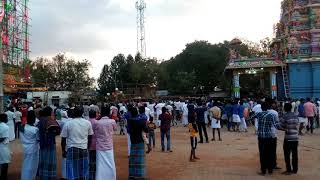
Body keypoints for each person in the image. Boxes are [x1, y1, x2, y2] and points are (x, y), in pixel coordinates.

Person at [61, 106, 93, 180]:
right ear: (82, 113)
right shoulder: (87, 123)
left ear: (73, 112)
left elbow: (63, 139)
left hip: (72, 149)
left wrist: (63, 151)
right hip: (84, 149)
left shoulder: (68, 124)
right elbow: (90, 137)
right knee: (84, 170)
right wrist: (88, 148)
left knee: (71, 170)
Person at [255, 102, 283, 175]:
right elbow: (277, 126)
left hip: (261, 137)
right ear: (268, 107)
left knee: (262, 154)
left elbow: (250, 118)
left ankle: (263, 170)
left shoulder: (259, 114)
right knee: (269, 153)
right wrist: (285, 129)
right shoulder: (272, 115)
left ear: (261, 107)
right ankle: (270, 170)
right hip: (269, 137)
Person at [38, 106, 61, 180]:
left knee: (43, 160)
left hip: (42, 143)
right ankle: (50, 176)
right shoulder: (50, 120)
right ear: (50, 112)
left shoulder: (40, 120)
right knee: (50, 161)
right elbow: (58, 130)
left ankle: (43, 176)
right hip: (50, 143)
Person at [94, 106, 117, 180]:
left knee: (100, 165)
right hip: (109, 146)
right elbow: (115, 129)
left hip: (100, 146)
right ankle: (111, 177)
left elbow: (94, 131)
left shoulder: (97, 122)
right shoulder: (112, 121)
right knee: (111, 163)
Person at [127, 107, 148, 179]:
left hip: (133, 142)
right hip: (140, 142)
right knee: (140, 160)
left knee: (133, 160)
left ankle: (132, 176)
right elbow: (146, 130)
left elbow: (129, 131)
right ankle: (140, 176)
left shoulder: (130, 121)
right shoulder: (141, 121)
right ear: (137, 113)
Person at [280, 103, 299, 175]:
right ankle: (295, 170)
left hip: (288, 138)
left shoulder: (285, 116)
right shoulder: (295, 115)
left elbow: (279, 126)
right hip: (295, 138)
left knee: (287, 154)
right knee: (295, 154)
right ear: (291, 108)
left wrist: (285, 129)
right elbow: (297, 123)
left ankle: (288, 170)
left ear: (285, 108)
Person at [20, 111, 39, 180]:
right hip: (33, 149)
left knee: (25, 164)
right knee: (32, 166)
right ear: (33, 119)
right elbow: (38, 139)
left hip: (25, 148)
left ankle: (24, 177)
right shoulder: (35, 129)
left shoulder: (22, 127)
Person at [0, 114, 11, 180]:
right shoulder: (5, 127)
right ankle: (3, 177)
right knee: (5, 163)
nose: (7, 119)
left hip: (3, 146)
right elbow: (3, 138)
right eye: (7, 118)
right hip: (3, 146)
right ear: (4, 119)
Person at [88, 110, 98, 180]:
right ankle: (94, 176)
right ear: (95, 115)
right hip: (96, 144)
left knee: (89, 161)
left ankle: (90, 176)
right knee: (95, 161)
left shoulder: (86, 122)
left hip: (88, 144)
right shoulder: (97, 123)